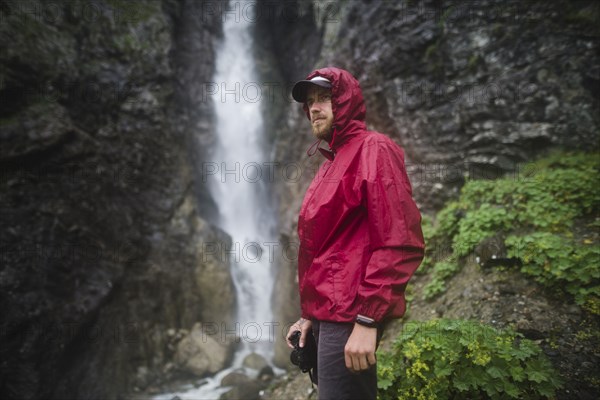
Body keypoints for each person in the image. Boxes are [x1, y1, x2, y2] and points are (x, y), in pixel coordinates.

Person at [286, 67, 425, 400]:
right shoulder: (330, 164)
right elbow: (326, 252)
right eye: (310, 102)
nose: (314, 108)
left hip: (350, 317)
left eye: (323, 98)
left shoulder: (374, 150)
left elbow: (399, 241)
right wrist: (309, 315)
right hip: (329, 318)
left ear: (345, 102)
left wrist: (367, 320)